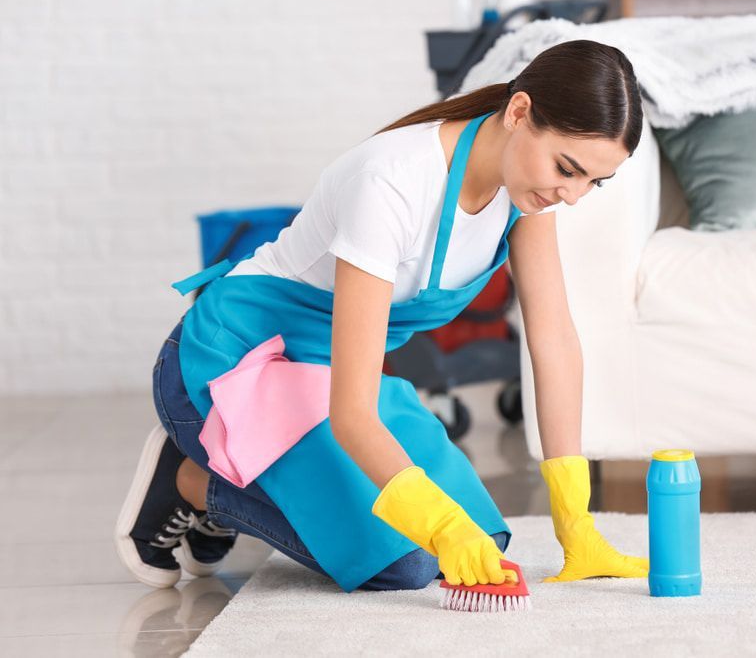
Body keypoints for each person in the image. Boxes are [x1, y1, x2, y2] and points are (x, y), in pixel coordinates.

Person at [115, 39, 649, 592]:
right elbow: (352, 414)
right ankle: (191, 482)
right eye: (568, 169)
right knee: (409, 561)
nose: (573, 196)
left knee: (484, 540)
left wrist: (575, 518)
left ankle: (246, 479)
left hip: (334, 374)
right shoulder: (392, 181)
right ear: (519, 111)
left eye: (593, 181)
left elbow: (554, 340)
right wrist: (438, 526)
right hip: (235, 362)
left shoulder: (528, 191)